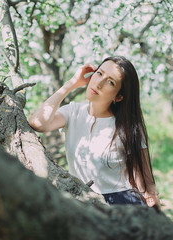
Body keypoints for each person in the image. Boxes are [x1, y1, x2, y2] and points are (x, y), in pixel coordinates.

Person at [28, 56, 160, 209]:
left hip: (121, 206)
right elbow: (38, 123)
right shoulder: (73, 112)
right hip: (81, 202)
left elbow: (145, 181)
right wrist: (71, 84)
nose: (99, 83)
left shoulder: (127, 127)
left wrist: (153, 205)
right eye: (99, 73)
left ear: (119, 97)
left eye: (110, 82)